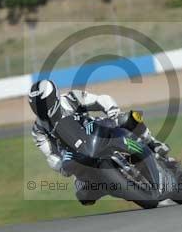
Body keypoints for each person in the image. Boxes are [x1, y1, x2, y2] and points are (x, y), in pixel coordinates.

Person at [28, 79, 170, 204]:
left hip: (93, 130)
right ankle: (115, 187)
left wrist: (112, 111)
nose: (42, 109)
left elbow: (100, 100)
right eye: (37, 106)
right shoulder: (38, 130)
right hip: (75, 153)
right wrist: (60, 166)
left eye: (44, 104)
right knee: (83, 196)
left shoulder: (71, 98)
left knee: (129, 118)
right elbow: (50, 154)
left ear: (55, 97)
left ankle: (153, 143)